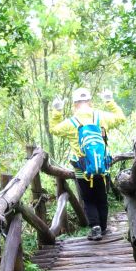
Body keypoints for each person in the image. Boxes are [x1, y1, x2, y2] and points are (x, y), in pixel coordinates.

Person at [50, 87, 125, 241]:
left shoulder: (70, 123)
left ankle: (95, 227)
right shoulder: (101, 116)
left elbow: (54, 129)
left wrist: (57, 111)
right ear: (90, 101)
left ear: (74, 104)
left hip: (82, 170)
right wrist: (109, 101)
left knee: (89, 199)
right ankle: (103, 228)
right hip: (102, 167)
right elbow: (120, 117)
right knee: (102, 198)